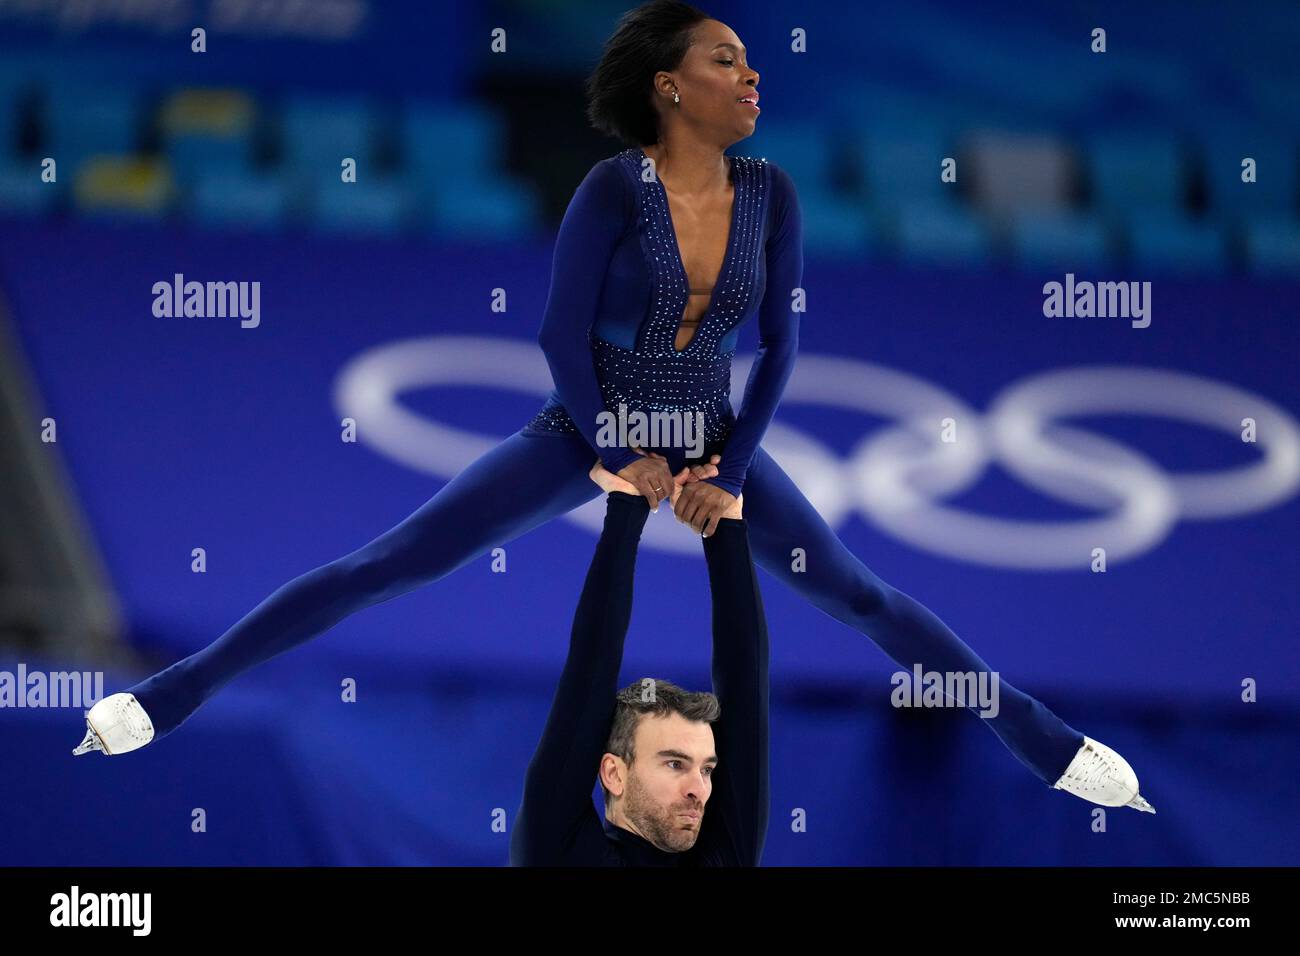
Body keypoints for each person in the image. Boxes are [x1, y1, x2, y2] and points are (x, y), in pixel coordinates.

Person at [74, 0, 1153, 814]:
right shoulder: (609, 190)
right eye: (724, 59)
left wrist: (726, 471)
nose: (750, 72)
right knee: (388, 563)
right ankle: (165, 695)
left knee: (863, 597)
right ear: (669, 87)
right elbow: (557, 336)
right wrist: (611, 450)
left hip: (714, 438)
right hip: (586, 431)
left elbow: (779, 346)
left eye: (749, 56)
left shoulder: (771, 195)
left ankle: (1053, 745)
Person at [510, 458, 767, 866]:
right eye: (675, 763)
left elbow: (745, 684)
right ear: (614, 773)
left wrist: (726, 521)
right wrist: (627, 507)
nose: (698, 789)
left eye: (706, 770)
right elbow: (590, 666)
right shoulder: (557, 854)